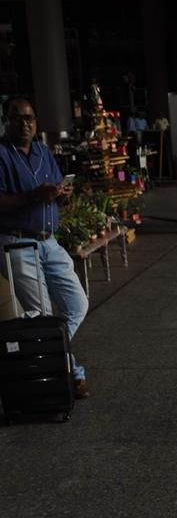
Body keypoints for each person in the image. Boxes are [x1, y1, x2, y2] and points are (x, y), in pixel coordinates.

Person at [0, 96, 89, 398]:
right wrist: (34, 196)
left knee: (77, 304)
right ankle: (72, 373)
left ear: (36, 122)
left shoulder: (42, 151)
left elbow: (51, 188)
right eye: (17, 118)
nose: (24, 124)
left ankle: (48, 352)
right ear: (6, 120)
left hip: (48, 240)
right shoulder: (2, 154)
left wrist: (60, 192)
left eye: (29, 119)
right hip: (17, 242)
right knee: (41, 314)